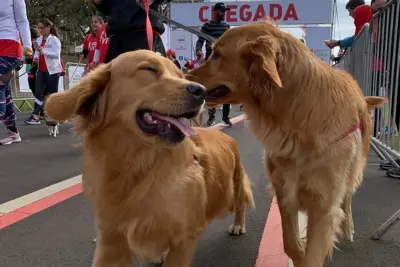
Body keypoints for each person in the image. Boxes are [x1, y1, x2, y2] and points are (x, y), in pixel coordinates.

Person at [92, 0, 172, 63]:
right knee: (114, 81)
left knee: (145, 78)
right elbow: (108, 7)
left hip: (142, 33)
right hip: (116, 37)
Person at [0, 0, 32, 145]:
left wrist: (27, 45)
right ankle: (13, 133)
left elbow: (22, 20)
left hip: (10, 46)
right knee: (4, 91)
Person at [195, 2, 232, 127]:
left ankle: (226, 117)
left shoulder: (226, 27)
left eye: (225, 11)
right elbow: (200, 41)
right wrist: (199, 51)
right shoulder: (207, 26)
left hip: (225, 63)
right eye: (222, 11)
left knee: (227, 87)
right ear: (215, 12)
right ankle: (211, 117)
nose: (224, 13)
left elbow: (230, 44)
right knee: (211, 89)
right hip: (210, 63)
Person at [24, 19, 62, 125]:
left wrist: (43, 51)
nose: (40, 30)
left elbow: (56, 55)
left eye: (42, 27)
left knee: (51, 94)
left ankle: (55, 115)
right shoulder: (39, 39)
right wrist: (35, 58)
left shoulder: (54, 40)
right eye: (39, 27)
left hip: (53, 71)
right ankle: (35, 115)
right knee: (38, 92)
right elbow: (36, 51)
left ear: (48, 27)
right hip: (41, 70)